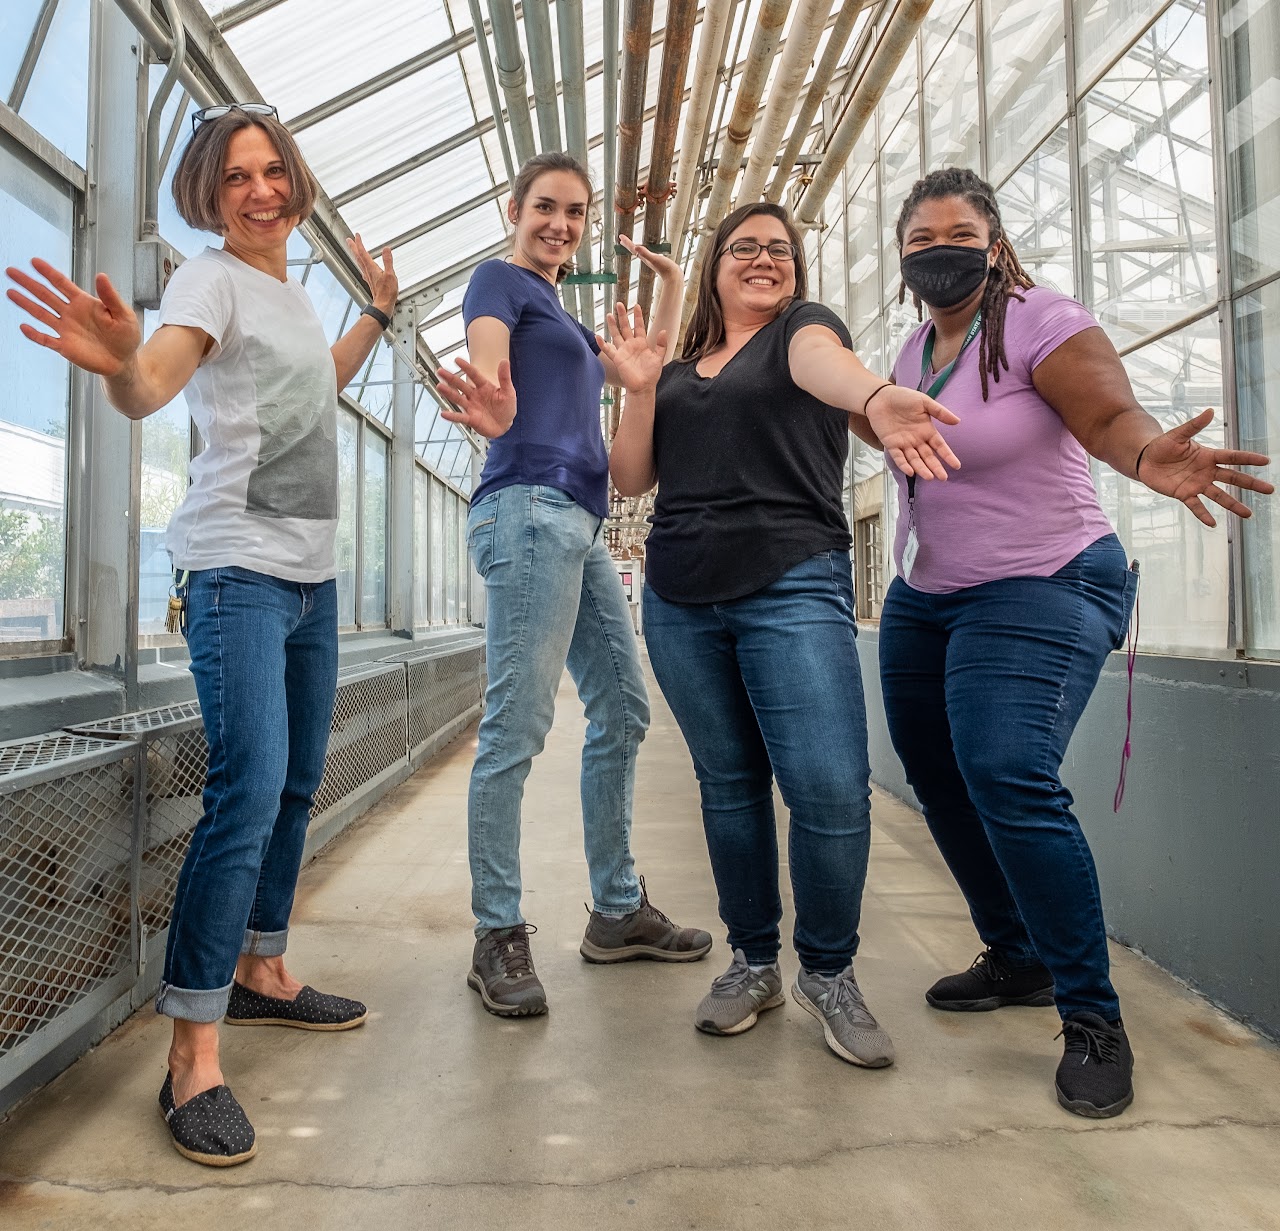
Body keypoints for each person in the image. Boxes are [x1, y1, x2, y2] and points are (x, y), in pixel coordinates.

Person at [6, 102, 397, 1165]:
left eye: (273, 171)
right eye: (236, 176)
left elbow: (317, 389)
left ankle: (263, 968)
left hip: (312, 581)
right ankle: (191, 1055)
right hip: (236, 576)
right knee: (247, 786)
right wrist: (122, 365)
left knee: (296, 781)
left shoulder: (292, 295)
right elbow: (151, 384)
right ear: (207, 195)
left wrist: (375, 312)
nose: (260, 191)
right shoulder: (208, 283)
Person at [876, 166, 1273, 1117]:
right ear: (903, 256)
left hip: (1044, 578)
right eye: (922, 240)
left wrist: (1147, 453)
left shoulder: (1038, 318)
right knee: (939, 776)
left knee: (1006, 768)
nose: (940, 253)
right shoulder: (909, 350)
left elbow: (1106, 415)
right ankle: (1017, 953)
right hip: (926, 594)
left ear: (995, 244)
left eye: (959, 235)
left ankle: (1093, 1014)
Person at [606, 201, 962, 1068]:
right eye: (744, 247)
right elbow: (630, 475)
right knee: (729, 786)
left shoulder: (803, 331)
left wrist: (875, 396)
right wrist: (641, 388)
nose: (763, 258)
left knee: (830, 788)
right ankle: (754, 961)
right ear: (714, 267)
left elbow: (826, 366)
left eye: (779, 249)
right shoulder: (676, 370)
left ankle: (828, 972)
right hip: (680, 598)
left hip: (793, 580)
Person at [433, 152, 712, 1019]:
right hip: (527, 508)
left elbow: (646, 368)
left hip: (581, 522)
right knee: (516, 724)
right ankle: (496, 930)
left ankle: (618, 909)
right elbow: (490, 352)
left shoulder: (570, 318)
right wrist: (496, 399)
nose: (560, 223)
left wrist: (673, 284)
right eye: (545, 207)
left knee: (624, 708)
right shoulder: (501, 282)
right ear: (514, 209)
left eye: (576, 212)